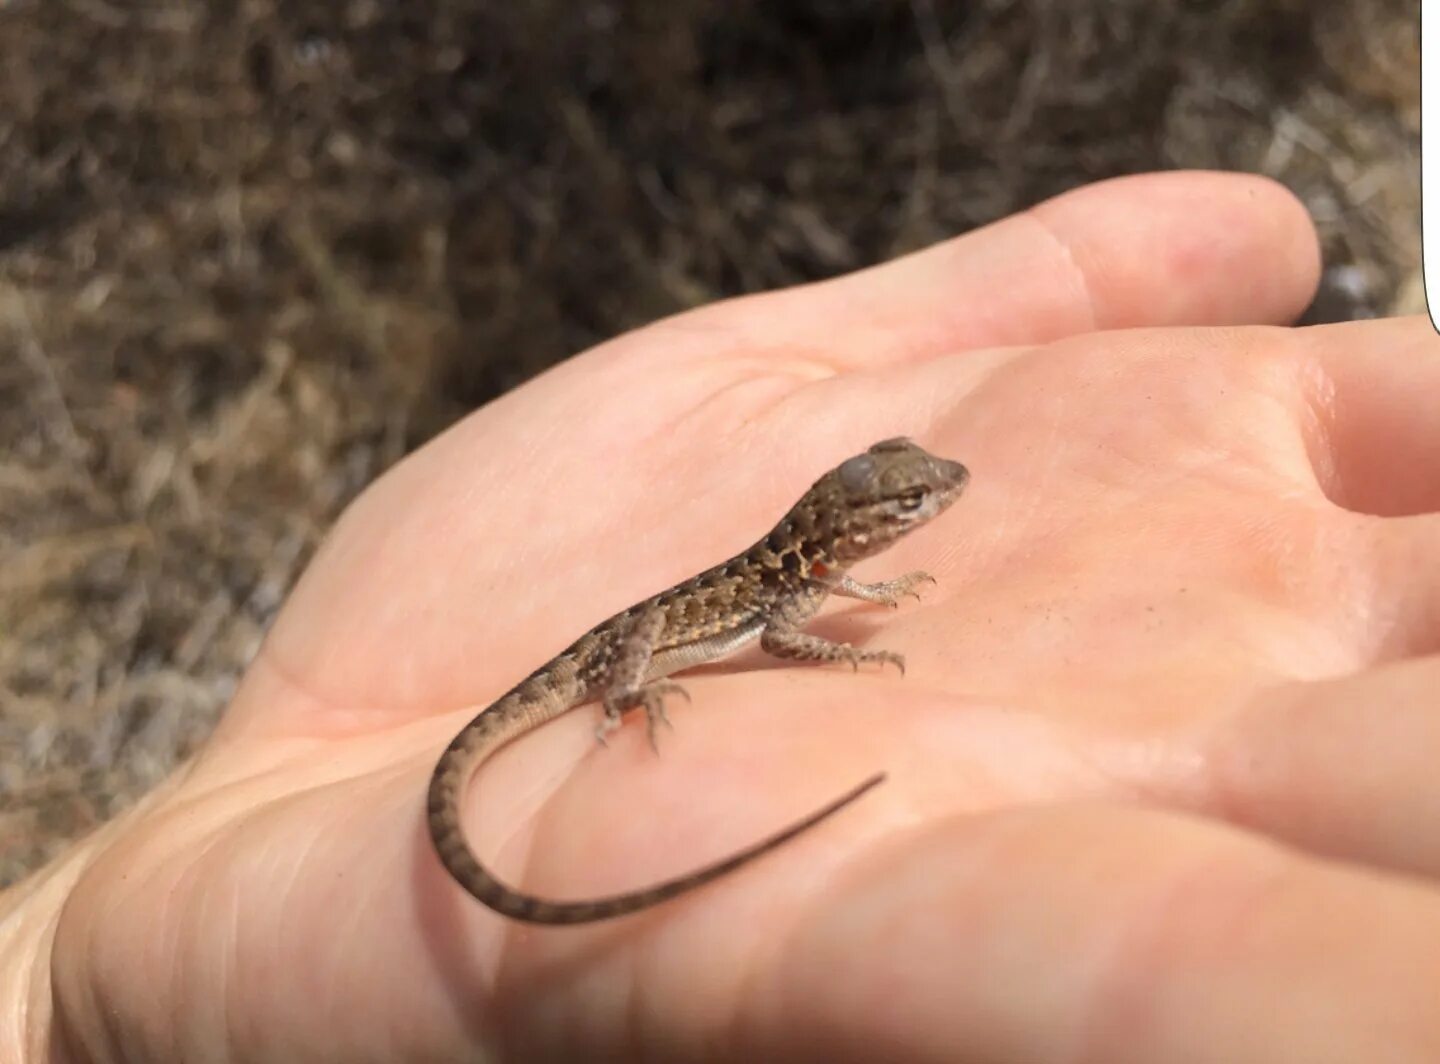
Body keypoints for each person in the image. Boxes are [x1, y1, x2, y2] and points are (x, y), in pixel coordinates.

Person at [5, 170, 1438, 1062]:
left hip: (669, 620)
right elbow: (777, 631)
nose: (930, 501)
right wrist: (638, 689)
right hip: (610, 654)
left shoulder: (803, 563)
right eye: (906, 505)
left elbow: (802, 604)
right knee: (647, 664)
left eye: (917, 501)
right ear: (849, 518)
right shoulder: (778, 589)